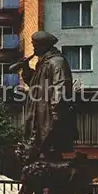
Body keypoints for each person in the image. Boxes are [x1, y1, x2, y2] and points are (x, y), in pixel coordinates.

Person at [20, 31, 77, 161]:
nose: (34, 48)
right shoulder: (43, 63)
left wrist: (56, 112)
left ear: (45, 45)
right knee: (39, 148)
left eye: (35, 45)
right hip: (39, 111)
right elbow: (33, 83)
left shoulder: (57, 62)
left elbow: (61, 86)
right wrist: (26, 69)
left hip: (48, 113)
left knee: (50, 148)